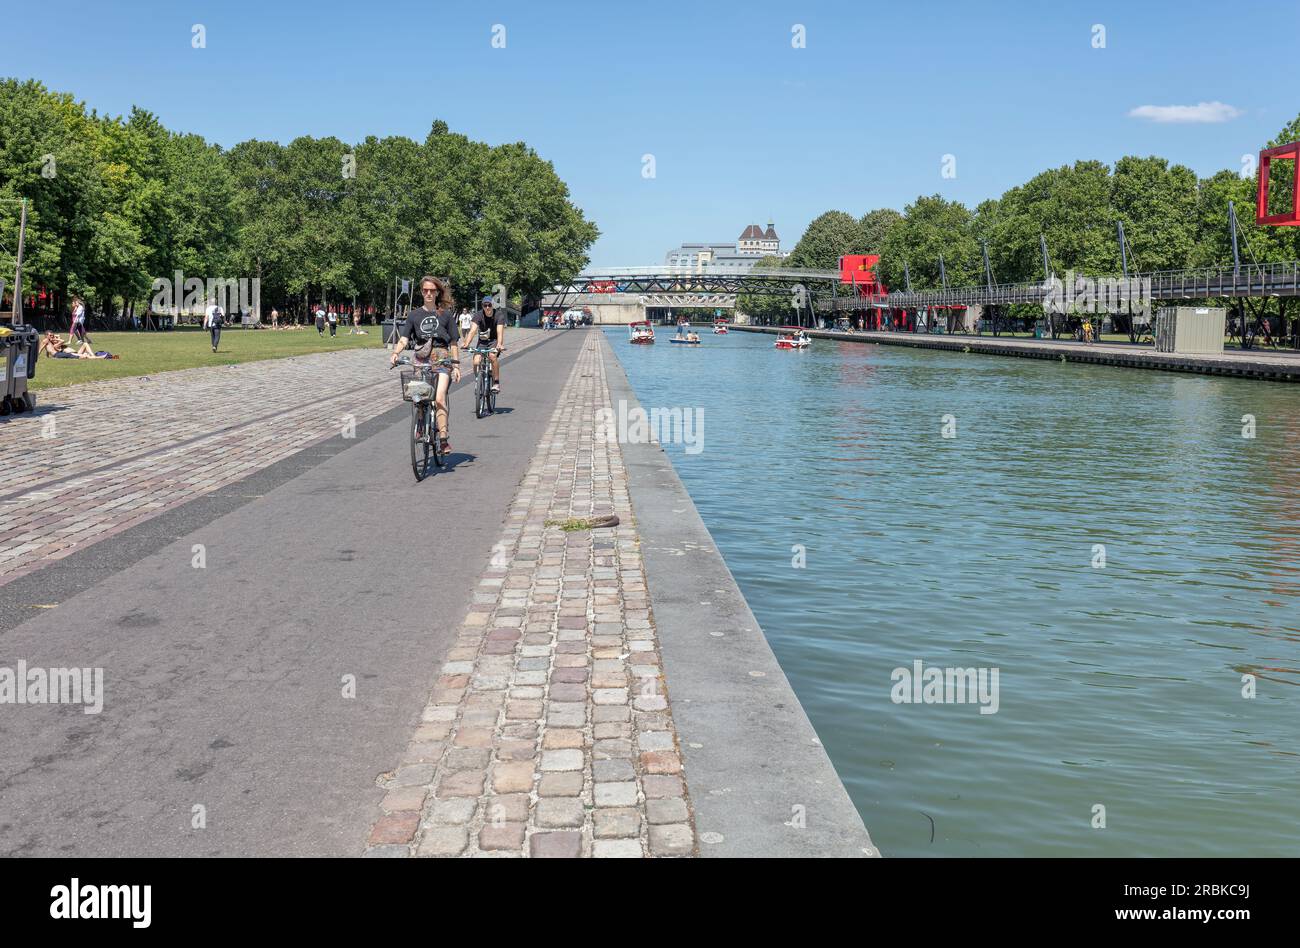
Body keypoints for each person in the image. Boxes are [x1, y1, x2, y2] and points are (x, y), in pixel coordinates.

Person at [390, 276, 460, 453]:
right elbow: (405, 338)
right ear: (422, 292)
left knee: (439, 397)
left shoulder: (446, 315)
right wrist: (396, 352)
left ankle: (443, 438)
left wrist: (457, 365)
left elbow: (453, 343)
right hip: (421, 359)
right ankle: (421, 424)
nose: (428, 293)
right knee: (419, 397)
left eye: (432, 290)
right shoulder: (414, 315)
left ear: (437, 293)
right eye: (425, 290)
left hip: (442, 357)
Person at [467, 295, 505, 394]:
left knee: (492, 356)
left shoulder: (499, 315)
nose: (487, 307)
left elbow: (500, 332)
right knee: (476, 362)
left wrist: (500, 344)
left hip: (494, 340)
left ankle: (496, 382)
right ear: (482, 306)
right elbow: (472, 331)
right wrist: (466, 343)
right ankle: (478, 380)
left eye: (489, 305)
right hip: (482, 341)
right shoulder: (478, 315)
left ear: (493, 305)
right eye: (485, 305)